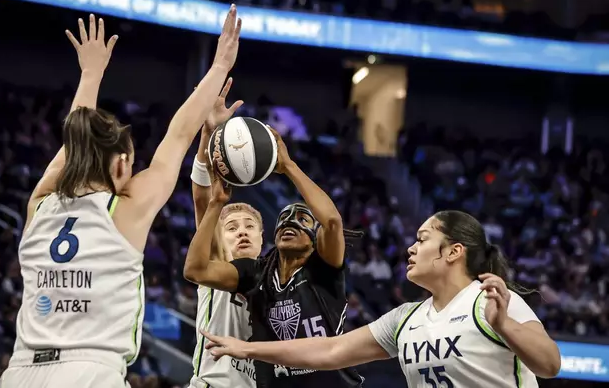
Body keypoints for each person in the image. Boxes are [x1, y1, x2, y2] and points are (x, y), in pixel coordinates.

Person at [1, 7, 242, 388]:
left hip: (19, 372)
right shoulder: (123, 209)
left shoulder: (40, 203)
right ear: (120, 165)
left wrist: (90, 73)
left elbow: (75, 142)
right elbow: (178, 135)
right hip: (89, 372)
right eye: (131, 162)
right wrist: (219, 67)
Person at [201, 210, 562, 388]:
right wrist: (246, 348)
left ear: (453, 252)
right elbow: (329, 351)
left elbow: (549, 365)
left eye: (422, 239)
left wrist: (504, 325)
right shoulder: (405, 318)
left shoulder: (491, 300)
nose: (411, 247)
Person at [184, 130, 364, 388]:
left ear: (261, 238)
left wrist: (288, 166)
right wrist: (209, 139)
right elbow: (195, 265)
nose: (290, 221)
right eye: (283, 219)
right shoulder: (253, 274)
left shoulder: (322, 272)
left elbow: (332, 221)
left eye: (302, 219)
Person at [187, 79, 261, 388]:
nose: (242, 232)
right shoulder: (218, 266)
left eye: (249, 227)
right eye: (232, 228)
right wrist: (207, 135)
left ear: (262, 238)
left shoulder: (274, 281)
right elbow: (203, 201)